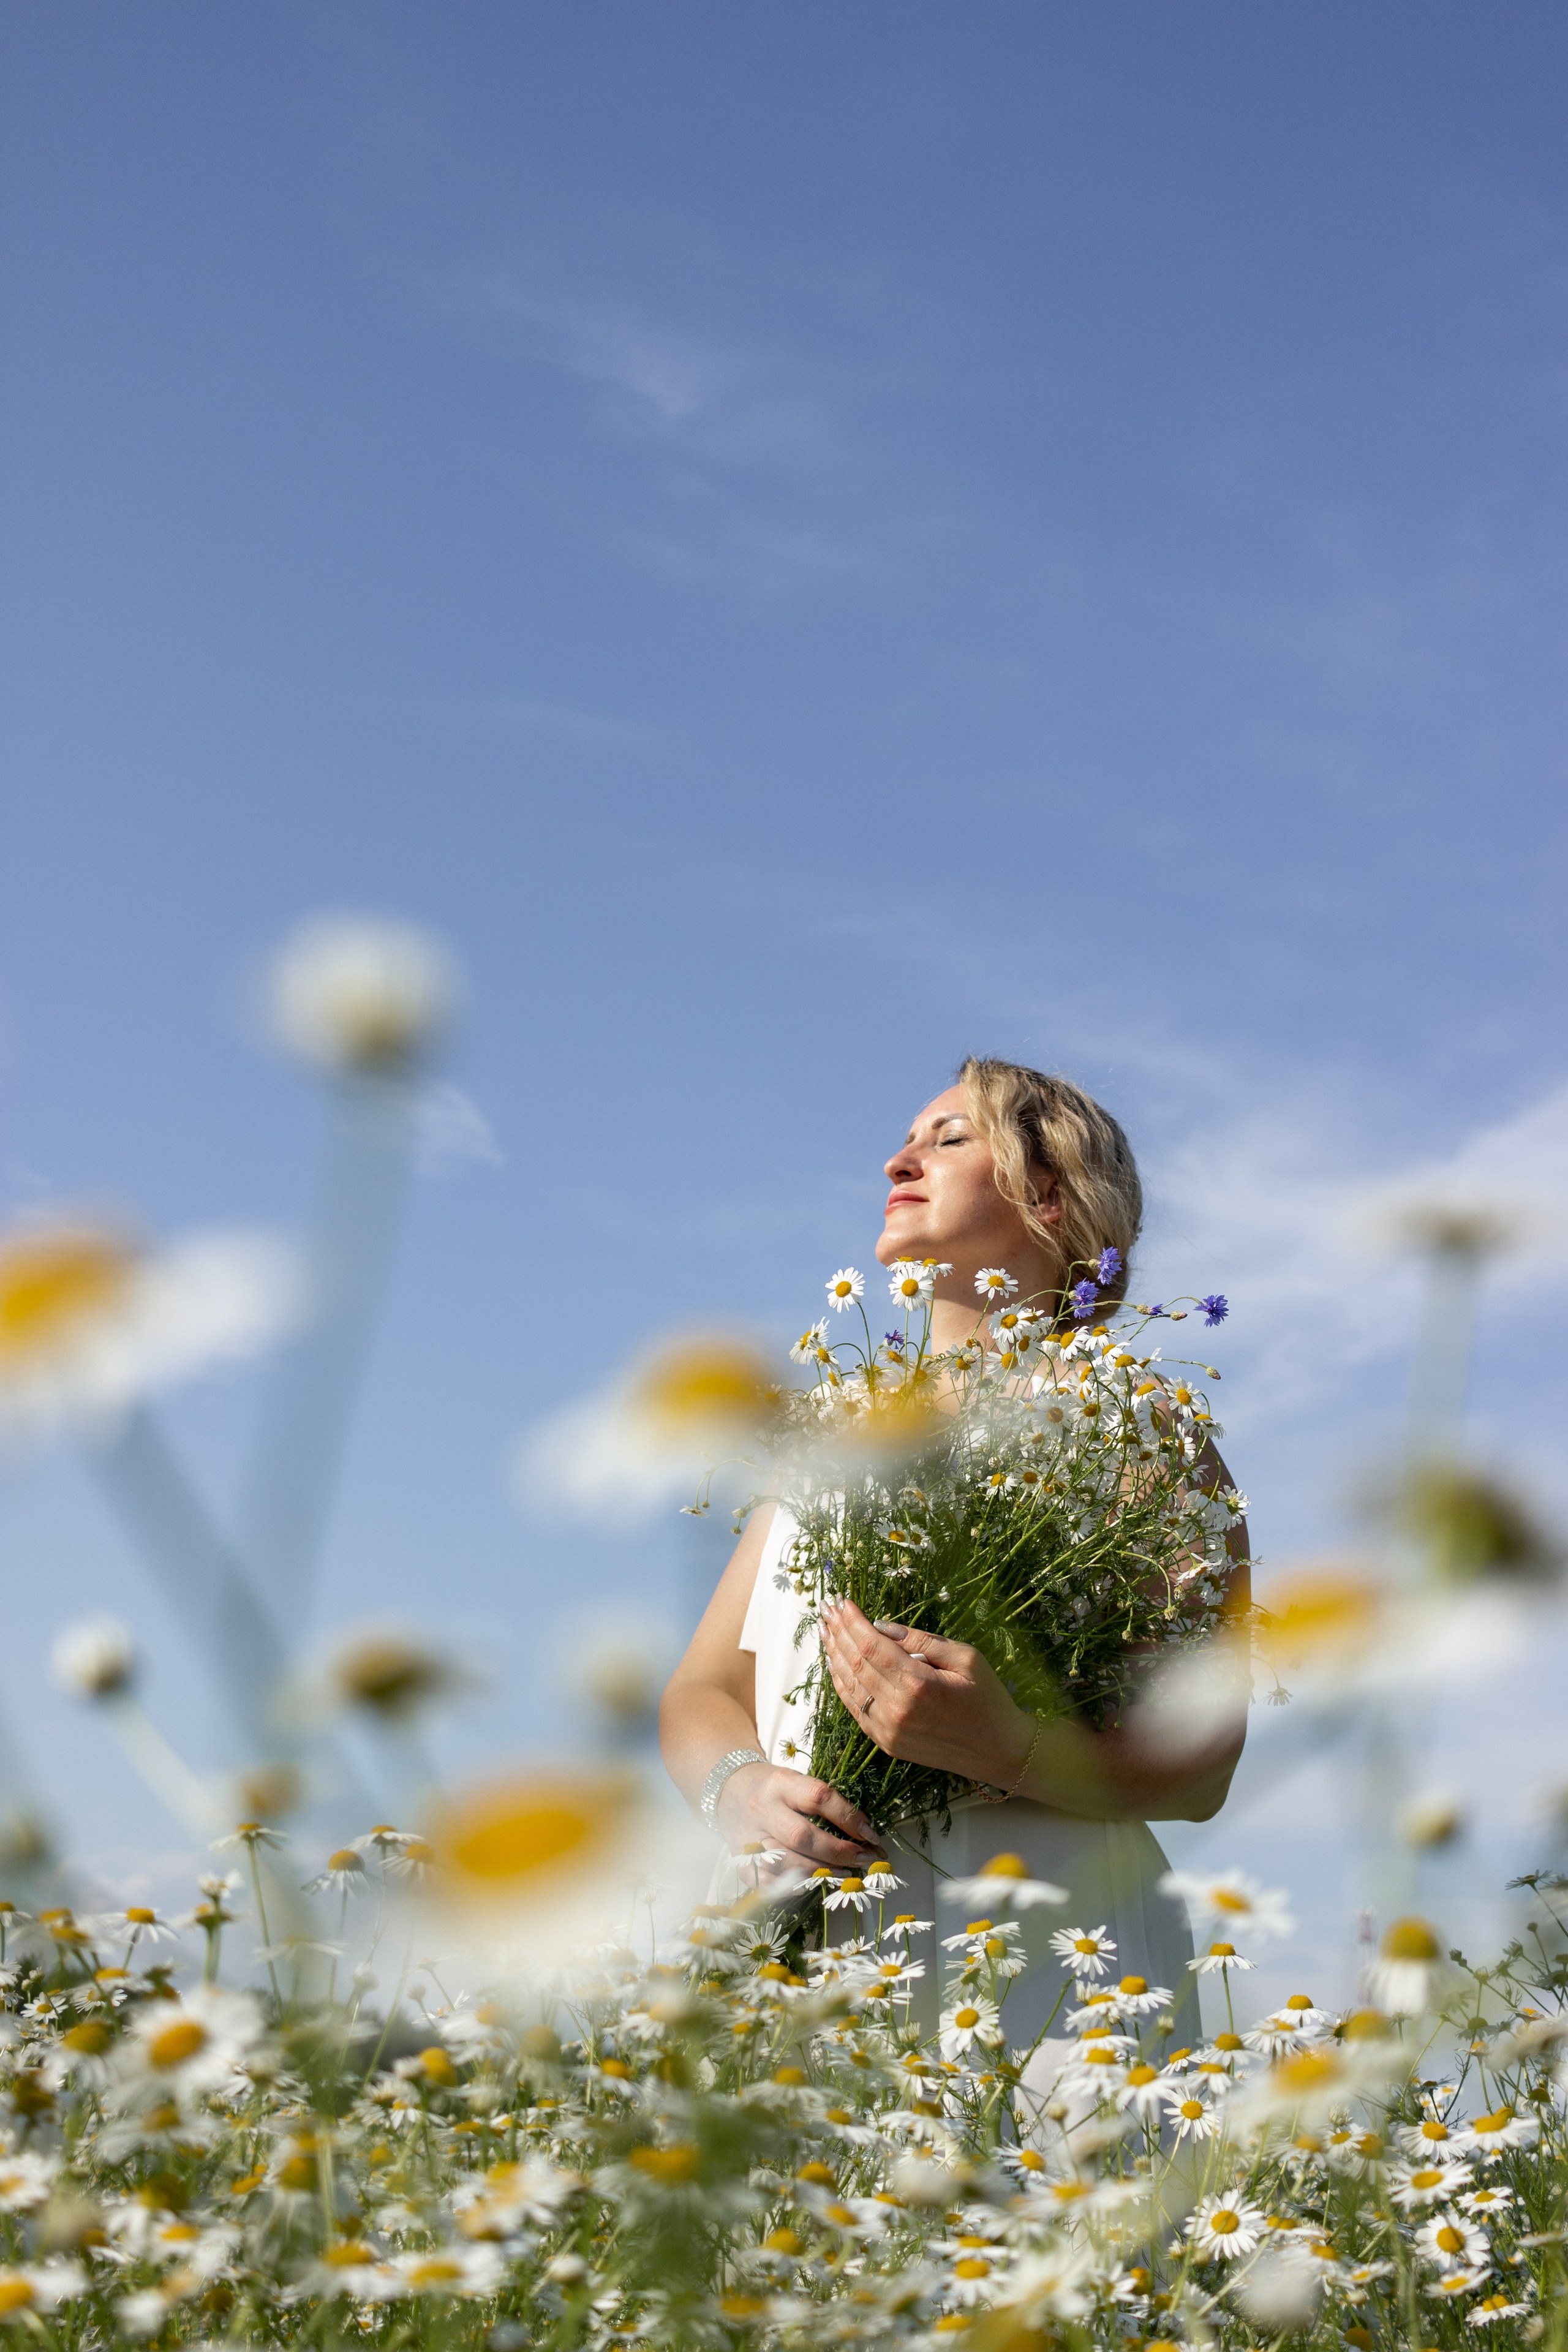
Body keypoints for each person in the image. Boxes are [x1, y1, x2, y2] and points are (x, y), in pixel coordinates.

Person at [659, 1056, 1250, 2072]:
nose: (899, 1158)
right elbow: (704, 1688)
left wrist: (1012, 1747)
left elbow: (1206, 1762)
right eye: (906, 1138)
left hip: (1051, 1967)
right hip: (806, 1953)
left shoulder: (1140, 1426)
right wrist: (742, 1788)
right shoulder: (841, 1435)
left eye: (948, 1139)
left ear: (1050, 1192)